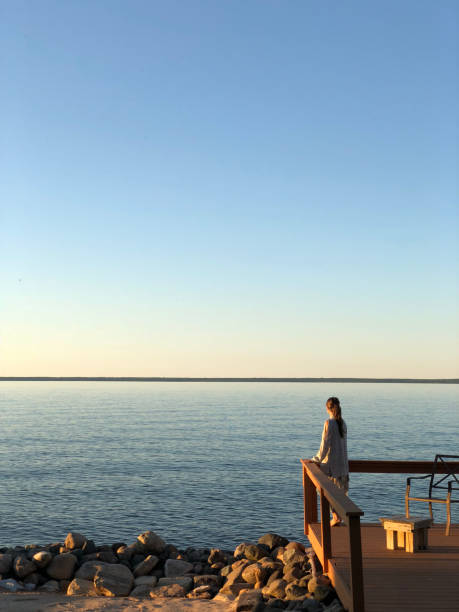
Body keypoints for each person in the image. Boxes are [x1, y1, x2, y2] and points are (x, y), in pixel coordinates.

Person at [309, 396, 349, 526]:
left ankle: (336, 516)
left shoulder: (329, 423)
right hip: (343, 467)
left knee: (321, 490)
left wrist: (315, 459)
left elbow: (324, 446)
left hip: (332, 468)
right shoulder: (342, 423)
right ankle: (337, 516)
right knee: (338, 495)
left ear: (327, 408)